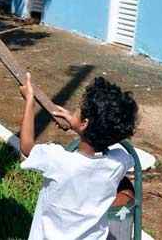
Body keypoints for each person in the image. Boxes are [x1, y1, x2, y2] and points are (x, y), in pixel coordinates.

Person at [19, 74, 138, 240]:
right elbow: (101, 142)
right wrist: (79, 126)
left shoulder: (57, 160)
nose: (74, 110)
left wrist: (30, 101)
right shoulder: (119, 162)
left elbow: (26, 146)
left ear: (85, 123)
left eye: (78, 110)